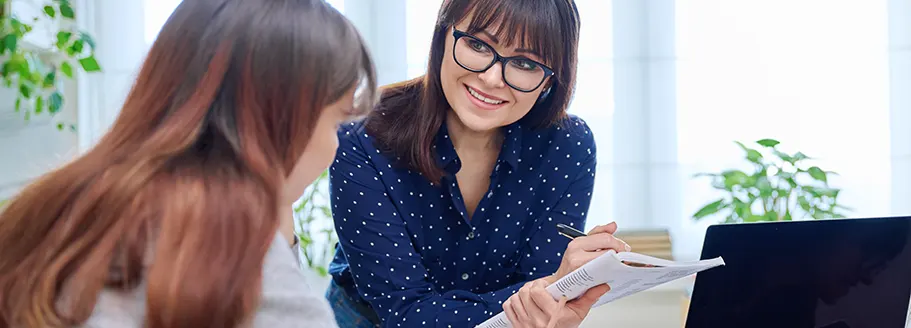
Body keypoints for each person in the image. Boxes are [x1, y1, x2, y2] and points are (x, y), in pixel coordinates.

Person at [0, 0, 376, 327]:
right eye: (337, 122)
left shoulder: (56, 203)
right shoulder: (234, 250)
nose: (336, 147)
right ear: (285, 117)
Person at [324, 0, 628, 327]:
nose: (492, 78)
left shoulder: (568, 146)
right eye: (478, 44)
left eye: (525, 64)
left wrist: (550, 291)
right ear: (443, 34)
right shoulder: (363, 137)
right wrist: (541, 293)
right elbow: (405, 313)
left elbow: (540, 299)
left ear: (550, 80)